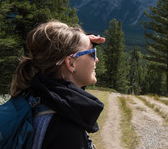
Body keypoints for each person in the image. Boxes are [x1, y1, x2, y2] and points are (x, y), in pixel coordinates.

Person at [10, 20, 105, 149]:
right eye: (92, 53)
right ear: (71, 63)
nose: (96, 59)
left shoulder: (36, 95)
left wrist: (79, 42)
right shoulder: (66, 129)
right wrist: (78, 43)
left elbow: (68, 84)